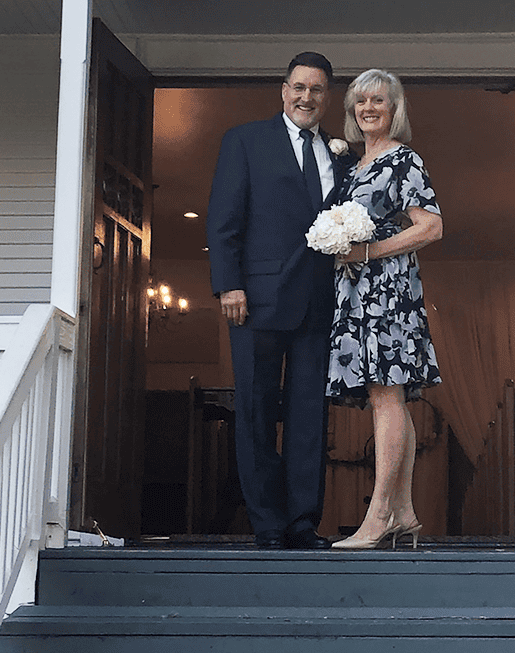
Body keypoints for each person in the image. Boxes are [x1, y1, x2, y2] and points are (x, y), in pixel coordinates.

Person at [205, 52, 346, 550]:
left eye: (317, 90)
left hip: (318, 301)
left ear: (328, 97)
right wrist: (228, 284)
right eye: (299, 87)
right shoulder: (245, 140)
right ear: (283, 90)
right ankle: (267, 523)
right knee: (257, 409)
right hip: (257, 299)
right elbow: (223, 218)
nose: (307, 97)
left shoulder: (338, 154)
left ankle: (303, 522)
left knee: (310, 412)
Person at [328, 69, 443, 549]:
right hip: (356, 291)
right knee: (387, 397)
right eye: (361, 101)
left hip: (387, 289)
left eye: (379, 100)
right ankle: (404, 512)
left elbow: (431, 227)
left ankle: (376, 518)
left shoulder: (403, 160)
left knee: (386, 397)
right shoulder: (354, 166)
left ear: (395, 108)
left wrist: (370, 253)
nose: (369, 108)